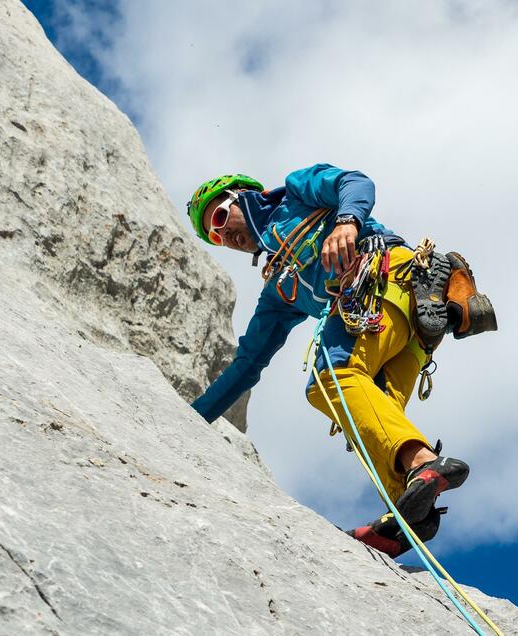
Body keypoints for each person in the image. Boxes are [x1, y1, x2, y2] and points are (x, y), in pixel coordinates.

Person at [186, 164, 496, 557]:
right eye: (215, 238)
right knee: (368, 415)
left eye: (218, 218)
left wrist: (347, 222)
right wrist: (190, 420)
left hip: (383, 280)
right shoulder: (280, 287)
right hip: (406, 326)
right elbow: (247, 364)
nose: (225, 236)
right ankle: (408, 511)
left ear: (245, 197)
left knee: (330, 381)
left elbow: (355, 182)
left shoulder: (297, 196)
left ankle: (421, 463)